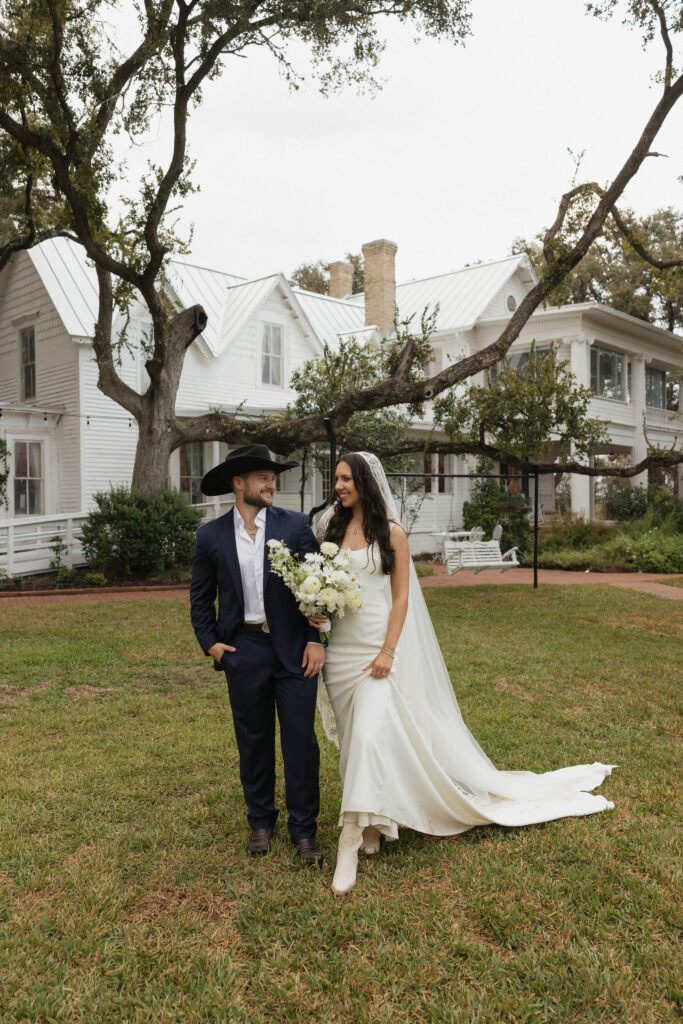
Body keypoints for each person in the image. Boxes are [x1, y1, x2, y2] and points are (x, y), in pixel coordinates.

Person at [313, 452, 615, 895]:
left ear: (365, 481)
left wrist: (389, 651)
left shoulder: (392, 534)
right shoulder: (330, 530)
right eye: (335, 479)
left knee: (371, 734)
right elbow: (325, 587)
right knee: (357, 739)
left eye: (345, 478)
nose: (338, 486)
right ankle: (375, 820)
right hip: (340, 654)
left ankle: (350, 842)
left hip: (376, 653)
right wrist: (316, 611)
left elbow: (401, 600)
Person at [190, 443, 326, 866]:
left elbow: (316, 587)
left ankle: (304, 830)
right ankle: (261, 822)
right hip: (242, 650)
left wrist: (316, 640)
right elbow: (200, 597)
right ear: (239, 483)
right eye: (263, 477)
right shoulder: (209, 535)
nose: (272, 483)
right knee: (253, 739)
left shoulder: (296, 525)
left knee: (300, 742)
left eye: (273, 477)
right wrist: (211, 644)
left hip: (294, 650)